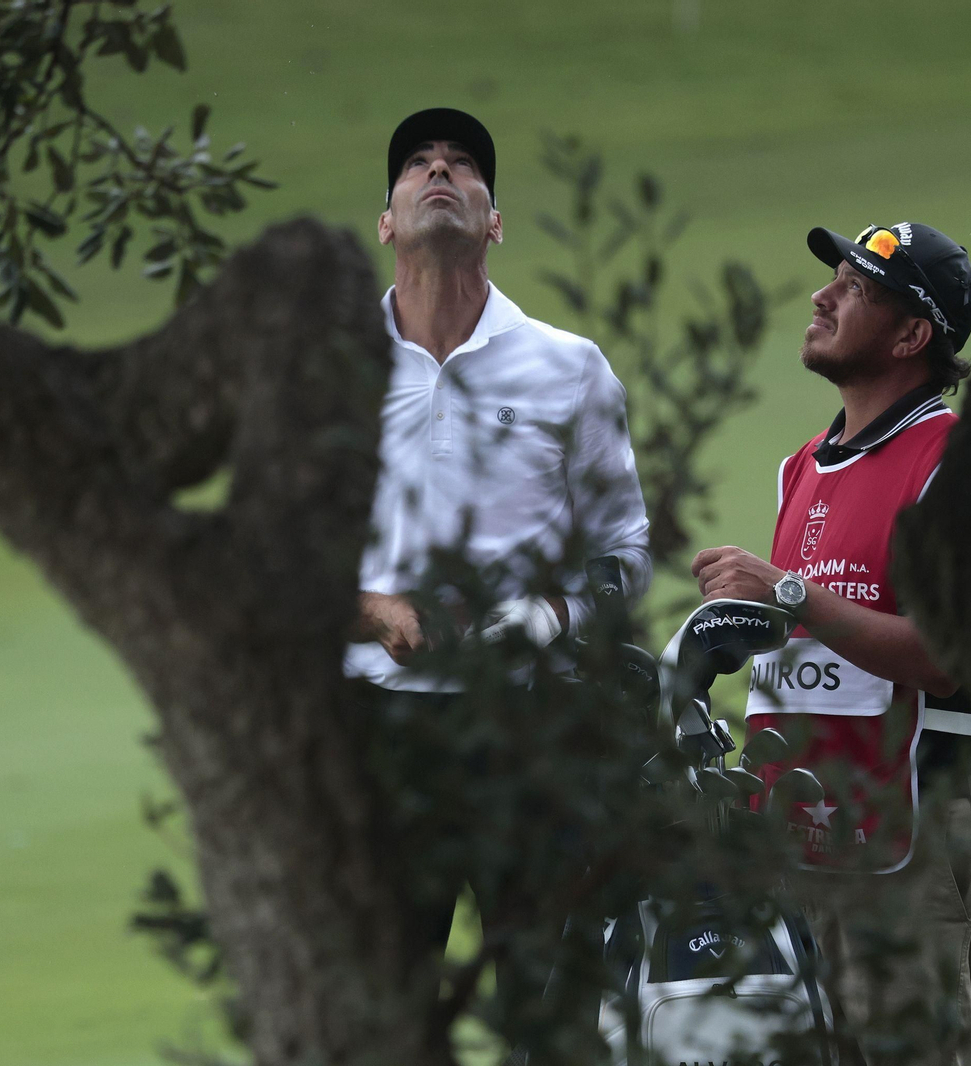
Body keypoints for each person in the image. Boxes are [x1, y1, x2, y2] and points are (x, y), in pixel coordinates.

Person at [343, 106, 652, 1024]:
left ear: (495, 218)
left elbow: (627, 554)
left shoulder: (568, 368)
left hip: (535, 729)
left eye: (465, 164)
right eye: (418, 165)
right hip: (378, 730)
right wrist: (373, 610)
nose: (441, 171)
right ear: (389, 219)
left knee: (549, 1008)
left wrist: (541, 619)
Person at [691, 222, 971, 1065]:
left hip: (912, 849)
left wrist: (788, 594)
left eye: (858, 288)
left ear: (912, 336)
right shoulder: (804, 467)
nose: (822, 296)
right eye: (833, 277)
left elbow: (945, 654)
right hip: (803, 845)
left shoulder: (957, 462)